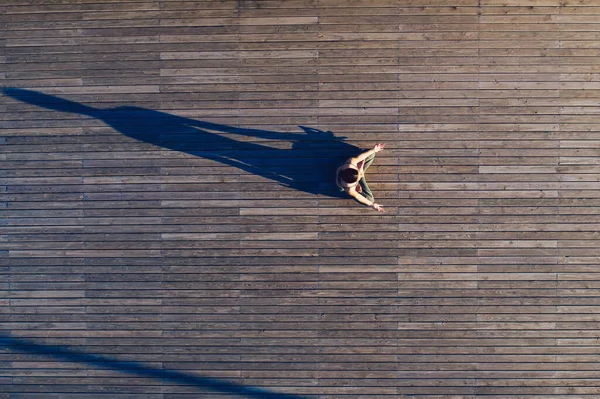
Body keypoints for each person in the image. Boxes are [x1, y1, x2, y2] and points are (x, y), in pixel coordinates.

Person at [336, 143, 385, 212]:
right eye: (360, 177)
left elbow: (359, 158)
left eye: (360, 174)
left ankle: (359, 173)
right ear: (355, 182)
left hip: (348, 175)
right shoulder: (349, 189)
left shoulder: (350, 163)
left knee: (371, 153)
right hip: (344, 184)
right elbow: (358, 196)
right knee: (370, 200)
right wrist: (372, 204)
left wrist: (373, 150)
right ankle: (358, 177)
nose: (362, 175)